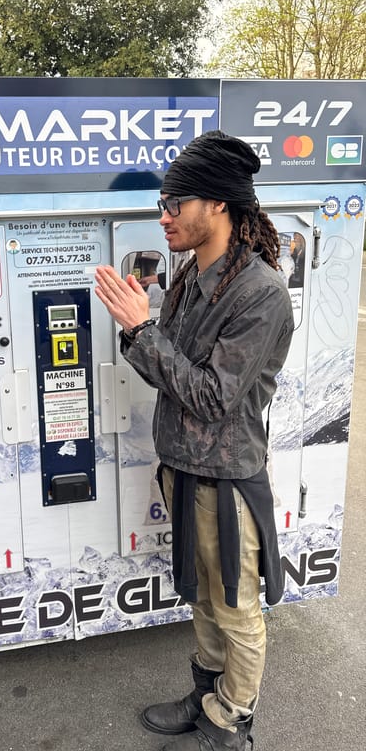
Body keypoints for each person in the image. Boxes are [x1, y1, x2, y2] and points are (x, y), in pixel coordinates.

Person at [94, 130, 294, 751]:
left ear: (218, 206)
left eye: (174, 203)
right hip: (181, 465)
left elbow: (211, 397)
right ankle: (205, 694)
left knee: (236, 605)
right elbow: (172, 368)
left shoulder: (260, 293)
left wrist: (139, 329)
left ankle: (232, 720)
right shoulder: (187, 276)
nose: (164, 216)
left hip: (227, 478)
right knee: (205, 597)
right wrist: (144, 329)